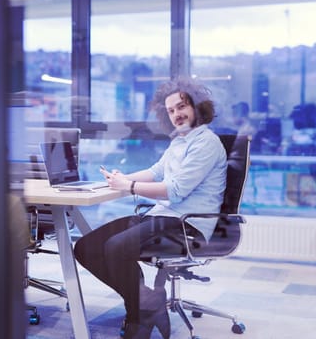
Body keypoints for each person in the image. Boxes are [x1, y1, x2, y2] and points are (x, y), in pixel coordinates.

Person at [74, 76, 227, 338]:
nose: (176, 114)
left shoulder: (206, 143)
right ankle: (149, 301)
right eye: (171, 111)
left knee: (116, 247)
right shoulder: (180, 141)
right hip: (163, 216)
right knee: (85, 248)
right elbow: (156, 172)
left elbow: (176, 190)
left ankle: (137, 315)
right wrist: (122, 179)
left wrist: (129, 187)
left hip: (187, 223)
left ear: (197, 106)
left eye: (181, 107)